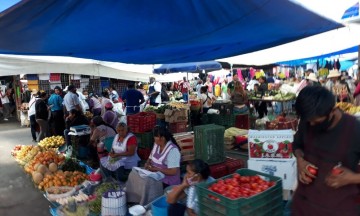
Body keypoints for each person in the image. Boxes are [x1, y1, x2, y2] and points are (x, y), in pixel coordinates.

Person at [291, 86, 360, 216]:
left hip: (338, 209)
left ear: (332, 111)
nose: (311, 125)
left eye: (316, 122)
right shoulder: (308, 120)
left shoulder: (354, 129)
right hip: (303, 206)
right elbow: (297, 145)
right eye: (309, 121)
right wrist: (300, 161)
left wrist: (352, 178)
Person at [126, 127, 181, 205]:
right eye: (155, 136)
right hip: (154, 172)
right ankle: (135, 199)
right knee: (133, 174)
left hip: (167, 179)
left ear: (163, 137)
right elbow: (150, 157)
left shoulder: (173, 150)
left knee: (147, 182)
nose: (156, 139)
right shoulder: (156, 144)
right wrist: (147, 163)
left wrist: (157, 169)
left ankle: (147, 203)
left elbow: (173, 171)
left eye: (159, 137)